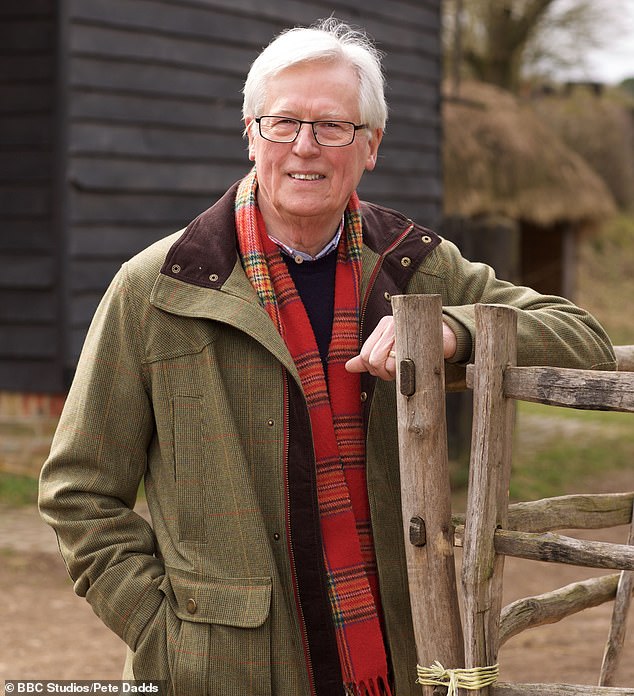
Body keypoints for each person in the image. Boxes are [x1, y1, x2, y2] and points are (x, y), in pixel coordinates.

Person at [39, 18, 616, 696]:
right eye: (283, 123)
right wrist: (162, 630)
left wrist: (457, 332)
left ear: (371, 145)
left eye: (333, 126)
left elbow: (583, 336)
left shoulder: (417, 266)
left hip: (399, 657)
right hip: (225, 670)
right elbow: (79, 493)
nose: (305, 147)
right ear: (250, 133)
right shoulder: (157, 288)